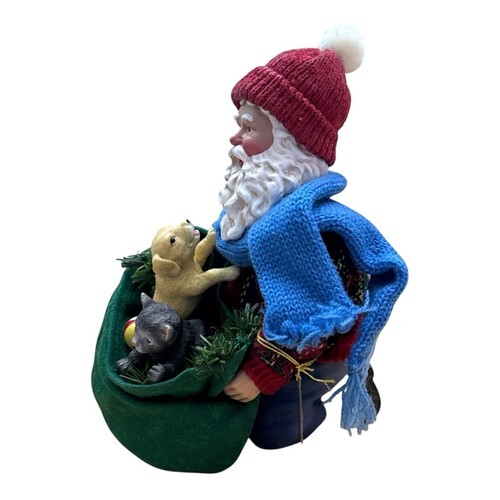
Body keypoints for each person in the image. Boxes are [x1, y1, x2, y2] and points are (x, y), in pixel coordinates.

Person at [212, 26, 408, 448]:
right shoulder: (254, 206)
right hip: (248, 331)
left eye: (249, 128)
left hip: (305, 355)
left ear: (288, 146)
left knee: (273, 431)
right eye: (239, 124)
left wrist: (261, 374)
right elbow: (223, 245)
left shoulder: (314, 233)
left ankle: (320, 399)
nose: (235, 139)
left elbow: (312, 326)